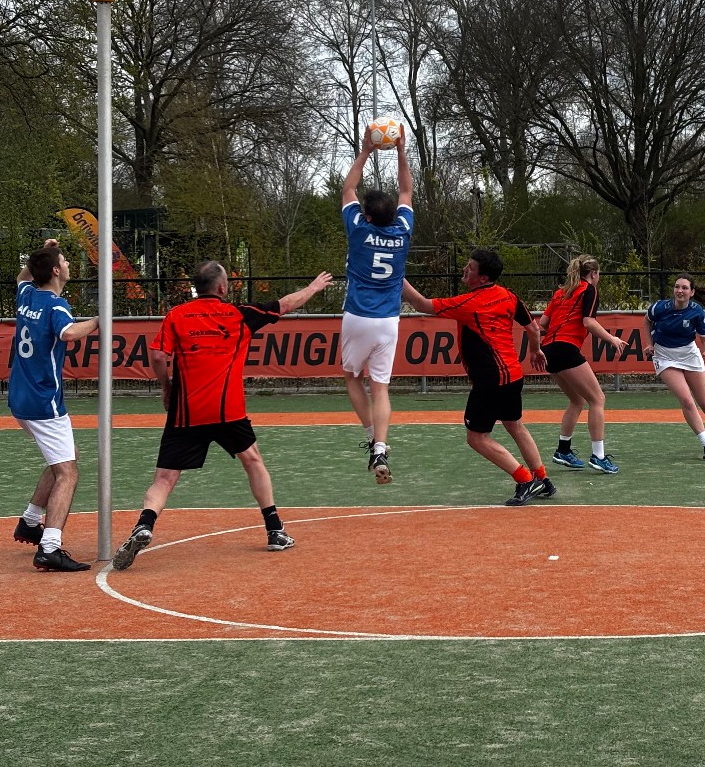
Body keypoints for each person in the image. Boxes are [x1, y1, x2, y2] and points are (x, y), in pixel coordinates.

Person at [112, 263, 334, 570]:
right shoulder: (238, 315)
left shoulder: (176, 315)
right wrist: (313, 287)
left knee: (165, 477)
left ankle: (144, 525)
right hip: (227, 410)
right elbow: (285, 304)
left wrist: (166, 389)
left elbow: (158, 355)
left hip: (186, 410)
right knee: (252, 460)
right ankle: (275, 530)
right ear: (222, 288)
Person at [401, 249, 555, 506]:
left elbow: (421, 304)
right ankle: (543, 478)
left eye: (470, 267)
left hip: (491, 379)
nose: (465, 269)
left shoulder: (469, 303)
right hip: (513, 375)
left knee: (476, 437)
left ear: (483, 278)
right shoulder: (508, 296)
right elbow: (532, 327)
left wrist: (396, 274)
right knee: (514, 424)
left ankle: (525, 480)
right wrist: (535, 349)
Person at [9, 239, 100, 572]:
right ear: (56, 271)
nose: (69, 264)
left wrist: (41, 252)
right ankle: (49, 546)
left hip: (19, 396)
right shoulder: (55, 305)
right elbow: (68, 334)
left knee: (62, 458)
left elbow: (22, 279)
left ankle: (31, 522)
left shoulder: (27, 295)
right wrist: (97, 321)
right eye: (64, 260)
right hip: (44, 400)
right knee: (68, 473)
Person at [341, 124, 414, 483]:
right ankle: (382, 447)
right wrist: (400, 149)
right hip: (389, 319)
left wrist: (367, 151)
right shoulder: (402, 231)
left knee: (353, 377)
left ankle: (371, 437)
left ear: (367, 215)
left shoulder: (358, 228)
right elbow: (406, 188)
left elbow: (348, 188)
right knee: (381, 387)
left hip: (357, 315)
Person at [538, 255, 627, 474]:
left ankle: (563, 450)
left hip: (548, 349)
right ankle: (598, 456)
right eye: (598, 275)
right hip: (565, 348)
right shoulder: (589, 289)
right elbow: (589, 321)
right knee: (597, 399)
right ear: (593, 274)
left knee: (577, 400)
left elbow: (543, 323)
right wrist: (612, 339)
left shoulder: (561, 293)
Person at [643, 274, 705, 461]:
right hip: (664, 356)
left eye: (685, 288)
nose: (680, 290)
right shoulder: (659, 307)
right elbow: (646, 321)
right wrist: (649, 343)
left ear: (692, 292)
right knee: (687, 400)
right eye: (677, 287)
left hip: (689, 354)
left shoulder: (697, 312)